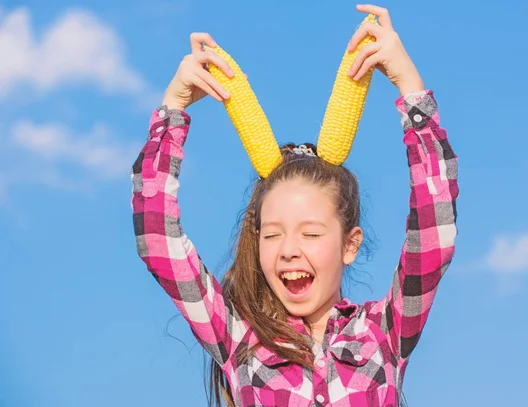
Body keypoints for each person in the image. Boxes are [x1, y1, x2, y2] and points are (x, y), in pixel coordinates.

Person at [131, 4, 458, 407]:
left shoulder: (383, 332)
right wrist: (172, 111)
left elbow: (434, 230)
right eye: (272, 234)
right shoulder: (237, 338)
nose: (288, 249)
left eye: (310, 232)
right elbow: (156, 237)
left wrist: (411, 89)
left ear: (350, 244)